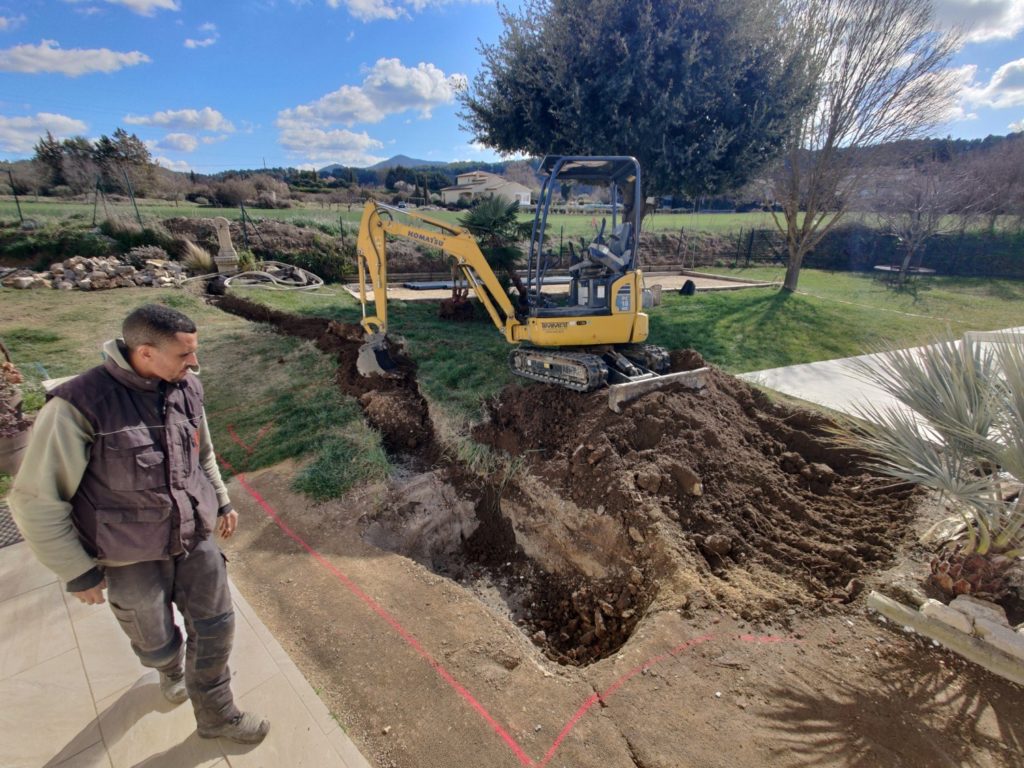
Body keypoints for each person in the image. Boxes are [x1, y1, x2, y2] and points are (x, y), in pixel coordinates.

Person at [9, 303, 269, 745]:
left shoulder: (188, 388)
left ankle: (217, 713)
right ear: (145, 353)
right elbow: (35, 500)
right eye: (185, 355)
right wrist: (77, 571)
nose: (194, 363)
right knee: (155, 638)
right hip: (127, 554)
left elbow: (201, 454)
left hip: (194, 538)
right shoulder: (79, 406)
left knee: (216, 625)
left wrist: (221, 502)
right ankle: (170, 670)